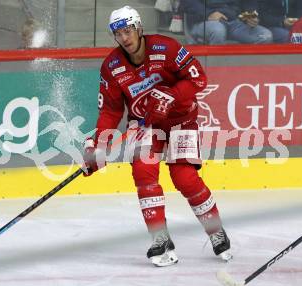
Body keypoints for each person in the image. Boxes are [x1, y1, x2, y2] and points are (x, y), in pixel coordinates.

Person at [82, 5, 232, 267]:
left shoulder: (167, 48)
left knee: (184, 177)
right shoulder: (112, 66)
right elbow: (110, 110)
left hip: (181, 120)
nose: (125, 38)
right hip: (144, 123)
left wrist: (171, 95)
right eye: (118, 34)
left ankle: (216, 230)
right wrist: (97, 145)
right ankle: (159, 237)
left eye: (128, 30)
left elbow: (199, 79)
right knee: (143, 171)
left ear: (139, 28)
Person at [185, 0, 273, 44]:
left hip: (234, 22)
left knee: (265, 36)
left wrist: (250, 15)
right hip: (203, 21)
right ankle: (216, 73)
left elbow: (249, 3)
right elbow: (188, 2)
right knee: (218, 30)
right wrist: (209, 14)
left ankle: (249, 72)